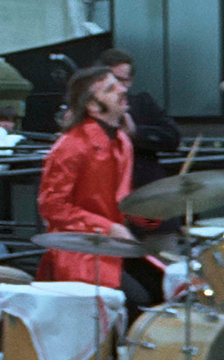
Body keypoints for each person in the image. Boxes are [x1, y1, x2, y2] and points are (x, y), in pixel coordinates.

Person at [36, 67, 153, 319]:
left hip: (112, 247)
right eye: (111, 88)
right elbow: (53, 207)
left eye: (119, 84)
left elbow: (121, 199)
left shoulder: (122, 141)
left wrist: (157, 214)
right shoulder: (70, 146)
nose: (123, 90)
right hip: (81, 253)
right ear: (91, 105)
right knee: (138, 303)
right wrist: (108, 228)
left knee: (166, 288)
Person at [95, 49, 181, 191]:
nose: (119, 88)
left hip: (140, 186)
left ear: (130, 81)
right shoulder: (89, 109)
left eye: (123, 81)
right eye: (113, 81)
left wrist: (136, 132)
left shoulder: (142, 103)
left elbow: (173, 137)